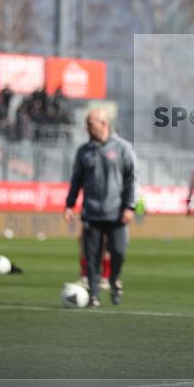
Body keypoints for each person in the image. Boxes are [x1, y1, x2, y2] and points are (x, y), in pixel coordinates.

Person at [64, 109, 137, 307]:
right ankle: (94, 294)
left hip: (117, 212)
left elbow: (132, 179)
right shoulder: (83, 151)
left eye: (90, 123)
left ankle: (114, 280)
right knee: (91, 255)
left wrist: (130, 206)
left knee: (118, 251)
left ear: (104, 124)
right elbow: (76, 180)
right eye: (87, 123)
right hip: (92, 212)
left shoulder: (123, 148)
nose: (87, 127)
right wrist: (69, 204)